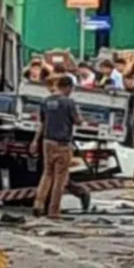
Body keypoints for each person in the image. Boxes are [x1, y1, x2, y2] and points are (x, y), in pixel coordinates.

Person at [31, 75, 83, 218]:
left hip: (47, 142)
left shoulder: (46, 101)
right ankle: (53, 211)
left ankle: (38, 203)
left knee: (47, 174)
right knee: (60, 179)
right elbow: (77, 121)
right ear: (68, 87)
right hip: (63, 144)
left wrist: (35, 141)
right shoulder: (69, 102)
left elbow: (41, 123)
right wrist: (82, 120)